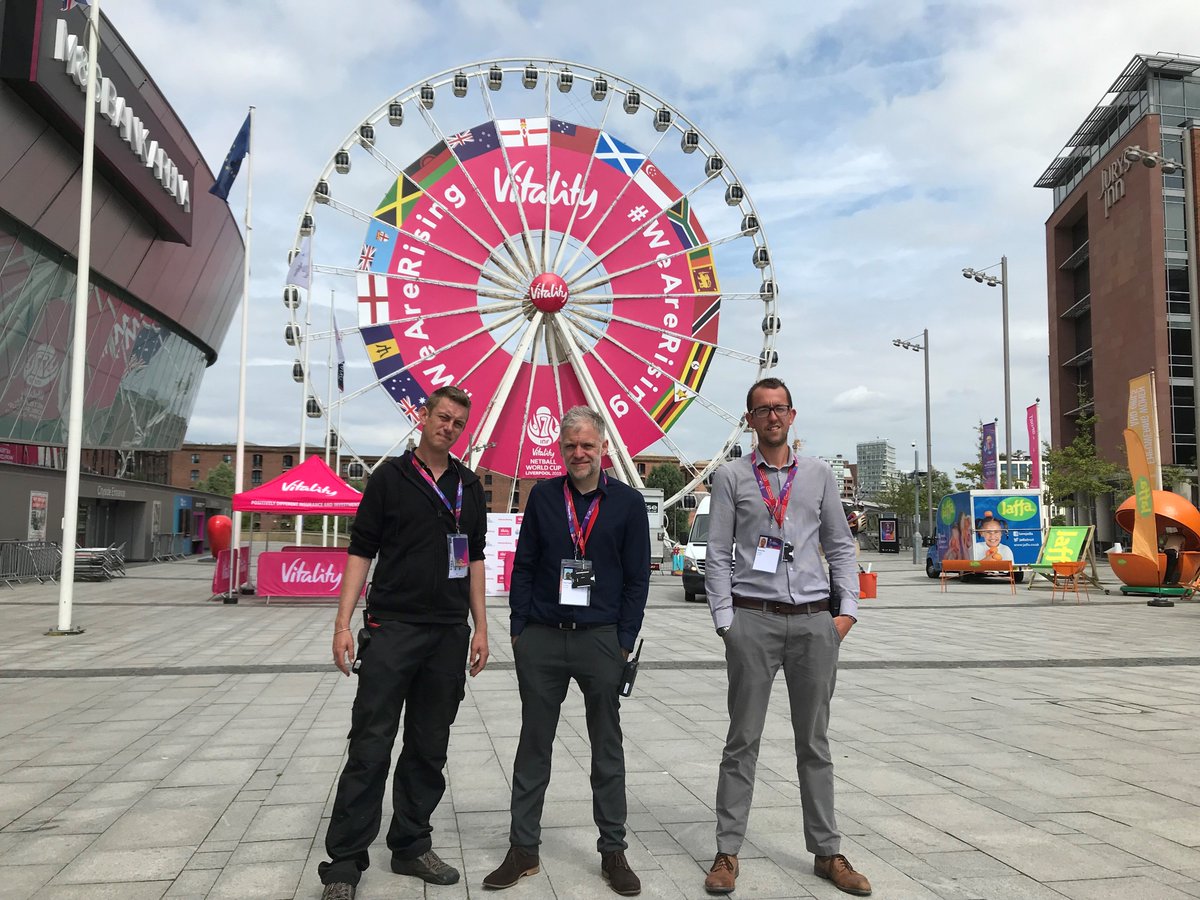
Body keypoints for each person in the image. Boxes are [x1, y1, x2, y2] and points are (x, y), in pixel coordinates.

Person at [318, 386, 489, 900]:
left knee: (428, 746)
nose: (449, 428)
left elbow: (475, 557)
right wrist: (343, 624)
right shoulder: (388, 479)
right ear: (422, 416)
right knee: (370, 745)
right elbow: (360, 551)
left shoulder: (469, 485)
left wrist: (481, 626)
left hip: (447, 634)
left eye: (458, 423)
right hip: (392, 628)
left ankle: (411, 844)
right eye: (442, 418)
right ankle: (345, 862)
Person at [702, 377, 871, 897]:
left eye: (780, 409)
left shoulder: (819, 475)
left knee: (814, 743)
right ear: (749, 420)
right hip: (753, 621)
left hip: (815, 624)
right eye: (762, 410)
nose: (772, 417)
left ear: (792, 416)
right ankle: (727, 852)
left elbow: (840, 546)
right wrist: (726, 622)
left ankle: (826, 851)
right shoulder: (731, 477)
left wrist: (845, 614)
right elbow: (717, 553)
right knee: (742, 742)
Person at [483, 405, 650, 896]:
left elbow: (637, 579)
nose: (579, 453)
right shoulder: (543, 498)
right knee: (533, 745)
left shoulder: (626, 504)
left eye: (588, 445)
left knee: (607, 748)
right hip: (543, 636)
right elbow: (526, 565)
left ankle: (613, 851)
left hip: (600, 639)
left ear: (603, 449)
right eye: (570, 446)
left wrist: (623, 641)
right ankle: (523, 849)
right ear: (560, 450)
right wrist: (518, 631)